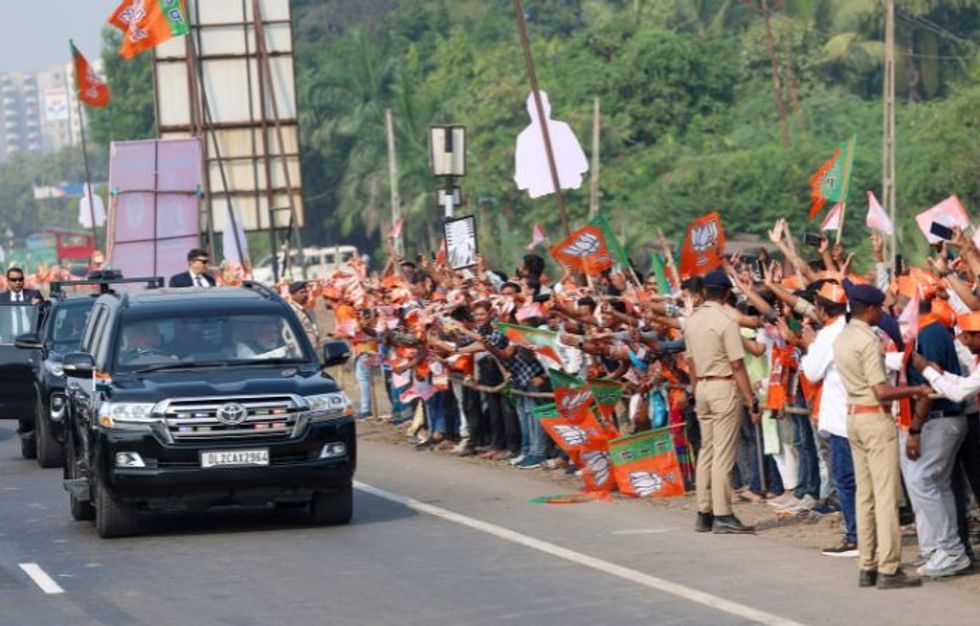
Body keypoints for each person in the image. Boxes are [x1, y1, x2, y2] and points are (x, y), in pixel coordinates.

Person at [832, 282, 928, 589]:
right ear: (871, 309)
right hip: (875, 417)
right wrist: (916, 389)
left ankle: (868, 564)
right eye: (880, 309)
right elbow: (882, 390)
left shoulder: (843, 338)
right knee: (887, 496)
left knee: (865, 494)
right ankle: (889, 568)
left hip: (854, 417)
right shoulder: (868, 341)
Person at [685, 269, 759, 534]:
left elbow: (691, 362)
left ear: (704, 291)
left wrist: (696, 392)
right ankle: (723, 513)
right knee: (723, 454)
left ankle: (703, 511)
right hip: (722, 385)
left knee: (707, 450)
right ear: (727, 294)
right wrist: (750, 399)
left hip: (702, 386)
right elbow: (737, 364)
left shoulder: (692, 320)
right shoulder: (726, 321)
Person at [798, 282, 860, 558]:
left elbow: (811, 372)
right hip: (860, 414)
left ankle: (855, 537)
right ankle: (864, 534)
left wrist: (810, 344)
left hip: (841, 419)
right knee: (862, 481)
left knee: (846, 480)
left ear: (822, 310)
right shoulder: (852, 328)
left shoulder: (826, 336)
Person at [287, 281, 319, 349]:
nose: (305, 295)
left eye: (306, 292)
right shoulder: (293, 310)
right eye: (301, 292)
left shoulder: (301, 308)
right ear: (293, 295)